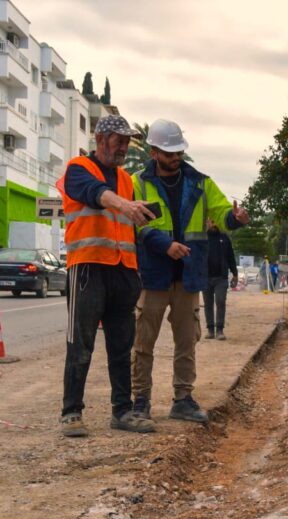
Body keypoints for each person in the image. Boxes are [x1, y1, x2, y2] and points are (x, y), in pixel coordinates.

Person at [130, 119, 249, 425]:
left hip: (188, 275)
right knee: (144, 342)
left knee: (186, 341)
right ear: (154, 151)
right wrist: (165, 245)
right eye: (169, 153)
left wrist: (235, 219)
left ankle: (182, 399)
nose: (176, 158)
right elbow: (136, 224)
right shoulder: (137, 183)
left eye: (179, 152)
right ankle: (140, 400)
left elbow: (222, 212)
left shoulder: (201, 182)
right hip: (154, 273)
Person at [56, 115, 157, 438]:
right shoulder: (77, 168)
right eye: (119, 140)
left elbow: (124, 220)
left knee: (121, 344)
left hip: (122, 271)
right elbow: (94, 192)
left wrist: (134, 210)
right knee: (80, 342)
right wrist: (124, 206)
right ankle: (71, 412)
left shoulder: (126, 181)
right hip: (87, 267)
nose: (124, 147)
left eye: (128, 141)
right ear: (100, 140)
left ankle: (122, 411)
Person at [204, 219, 238, 340]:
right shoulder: (202, 238)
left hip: (221, 277)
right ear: (206, 222)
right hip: (206, 276)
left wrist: (235, 274)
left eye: (214, 221)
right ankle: (210, 330)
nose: (212, 223)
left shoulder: (224, 238)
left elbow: (231, 257)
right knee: (208, 304)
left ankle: (220, 330)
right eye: (210, 221)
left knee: (220, 301)